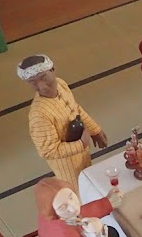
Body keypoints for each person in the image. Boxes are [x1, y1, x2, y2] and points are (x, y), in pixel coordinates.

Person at [22, 54, 107, 187]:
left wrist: (94, 130)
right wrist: (81, 144)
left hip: (83, 154)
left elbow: (75, 109)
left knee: (90, 182)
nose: (42, 86)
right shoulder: (39, 115)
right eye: (33, 83)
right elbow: (48, 151)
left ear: (52, 70)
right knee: (78, 191)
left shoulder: (61, 84)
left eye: (44, 78)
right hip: (68, 166)